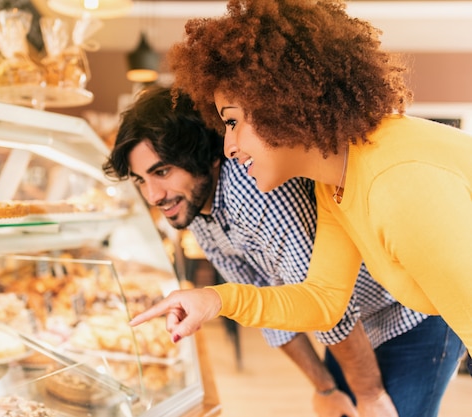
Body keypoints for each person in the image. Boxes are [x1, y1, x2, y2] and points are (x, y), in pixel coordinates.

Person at [127, 0, 472, 381]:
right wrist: (214, 299)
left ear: (280, 102)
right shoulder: (336, 181)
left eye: (232, 121)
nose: (227, 148)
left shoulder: (397, 186)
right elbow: (322, 299)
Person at [103, 86, 465, 417]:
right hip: (356, 316)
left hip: (412, 317)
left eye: (161, 172)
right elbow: (320, 301)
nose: (152, 196)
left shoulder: (261, 186)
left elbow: (331, 313)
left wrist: (367, 393)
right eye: (140, 181)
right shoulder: (203, 209)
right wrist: (214, 299)